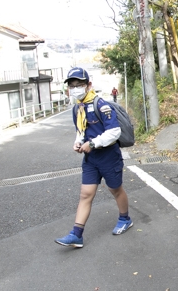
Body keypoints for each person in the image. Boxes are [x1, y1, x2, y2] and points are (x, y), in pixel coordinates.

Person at [55, 67, 133, 248]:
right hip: (91, 159)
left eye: (79, 85)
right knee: (85, 194)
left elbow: (114, 132)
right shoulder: (77, 109)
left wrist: (92, 144)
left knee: (116, 190)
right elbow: (81, 131)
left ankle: (125, 219)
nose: (75, 89)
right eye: (72, 86)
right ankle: (77, 234)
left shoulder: (101, 105)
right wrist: (78, 142)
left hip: (108, 156)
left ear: (89, 85)